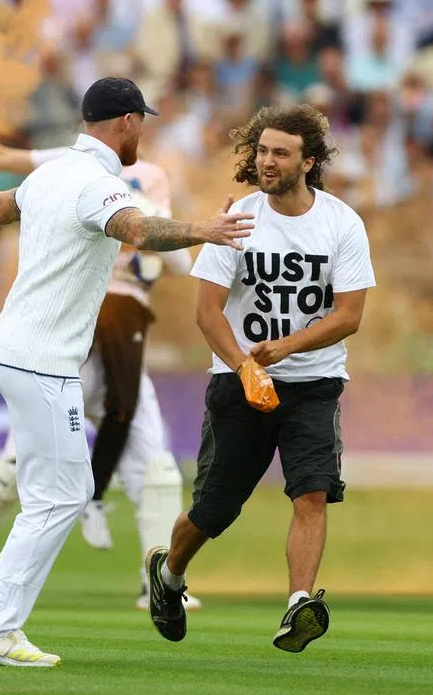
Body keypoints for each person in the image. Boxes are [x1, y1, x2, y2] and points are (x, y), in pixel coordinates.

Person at [0, 77, 253, 667]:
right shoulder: (99, 184)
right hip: (43, 359)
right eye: (141, 121)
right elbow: (138, 231)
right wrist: (205, 229)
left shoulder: (52, 173)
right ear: (126, 122)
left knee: (48, 495)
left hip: (17, 350)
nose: (142, 133)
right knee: (64, 496)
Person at [0, 116, 203, 608]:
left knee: (156, 469)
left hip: (117, 335)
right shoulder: (67, 166)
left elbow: (164, 252)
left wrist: (164, 225)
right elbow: (0, 161)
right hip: (66, 339)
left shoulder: (145, 175)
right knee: (20, 469)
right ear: (125, 123)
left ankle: (160, 583)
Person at [145, 105, 375, 654]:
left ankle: (299, 603)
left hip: (315, 383)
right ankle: (168, 575)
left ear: (309, 161)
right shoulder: (237, 219)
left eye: (280, 153)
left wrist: (285, 348)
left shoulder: (342, 223)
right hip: (237, 383)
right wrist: (246, 366)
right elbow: (207, 313)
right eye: (262, 151)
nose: (266, 162)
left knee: (312, 492)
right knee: (215, 509)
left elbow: (349, 316)